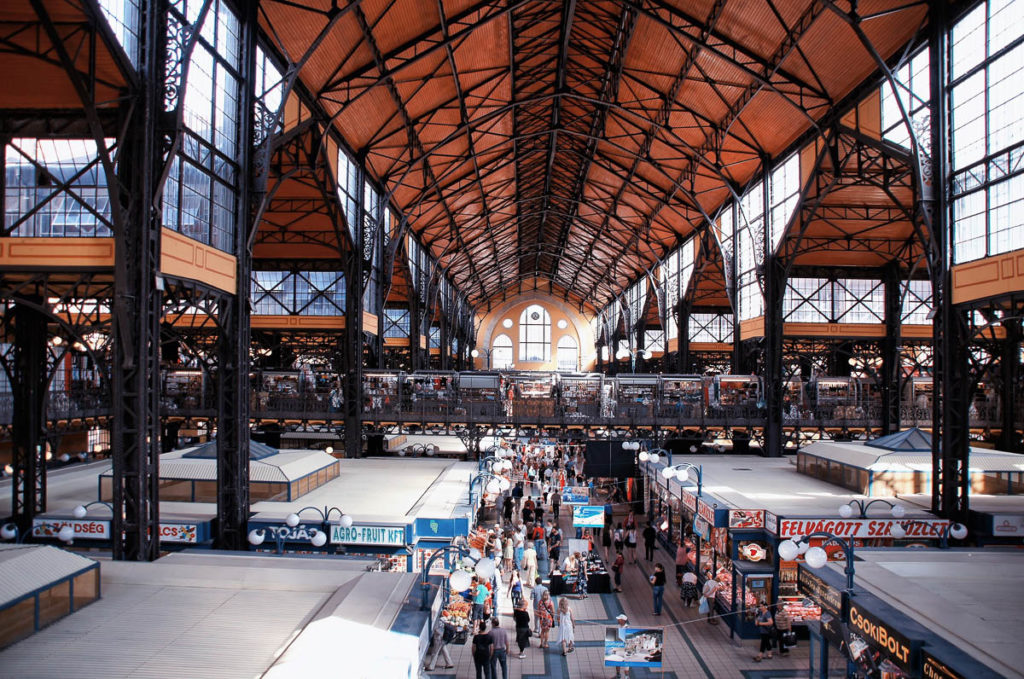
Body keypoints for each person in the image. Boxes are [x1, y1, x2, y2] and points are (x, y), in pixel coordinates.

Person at [611, 613, 631, 679]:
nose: (618, 620)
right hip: (619, 648)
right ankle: (618, 675)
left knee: (626, 664)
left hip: (625, 650)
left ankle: (626, 677)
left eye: (619, 619)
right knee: (617, 662)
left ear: (623, 620)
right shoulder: (619, 627)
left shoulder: (627, 628)